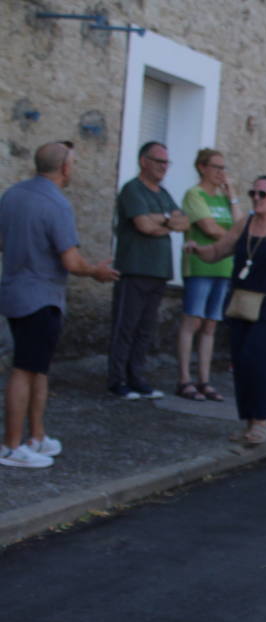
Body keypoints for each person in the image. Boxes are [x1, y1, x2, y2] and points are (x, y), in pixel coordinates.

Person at [0, 141, 119, 468]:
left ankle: (36, 437)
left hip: (13, 291)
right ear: (65, 168)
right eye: (74, 163)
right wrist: (96, 271)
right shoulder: (57, 205)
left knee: (38, 367)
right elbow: (71, 260)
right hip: (42, 297)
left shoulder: (11, 195)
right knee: (25, 369)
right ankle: (11, 446)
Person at [185, 175, 266, 446]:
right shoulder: (245, 224)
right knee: (241, 360)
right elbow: (218, 250)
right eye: (253, 193)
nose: (256, 198)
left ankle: (262, 422)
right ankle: (250, 421)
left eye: (262, 194)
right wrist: (197, 250)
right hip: (243, 302)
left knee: (259, 358)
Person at [108, 141, 190, 399]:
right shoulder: (133, 190)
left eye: (166, 162)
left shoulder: (163, 193)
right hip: (134, 268)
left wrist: (161, 220)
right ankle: (117, 380)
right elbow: (142, 225)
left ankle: (137, 377)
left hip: (159, 270)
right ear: (144, 161)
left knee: (145, 329)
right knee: (126, 326)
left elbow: (184, 222)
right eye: (159, 161)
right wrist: (166, 220)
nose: (164, 167)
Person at [176, 148, 240, 402]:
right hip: (201, 266)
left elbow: (240, 223)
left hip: (224, 267)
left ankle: (204, 379)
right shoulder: (194, 194)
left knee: (211, 324)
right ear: (202, 167)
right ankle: (184, 378)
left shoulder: (223, 198)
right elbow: (210, 228)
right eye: (217, 167)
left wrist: (233, 196)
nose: (221, 173)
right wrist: (237, 240)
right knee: (192, 321)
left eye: (224, 168)